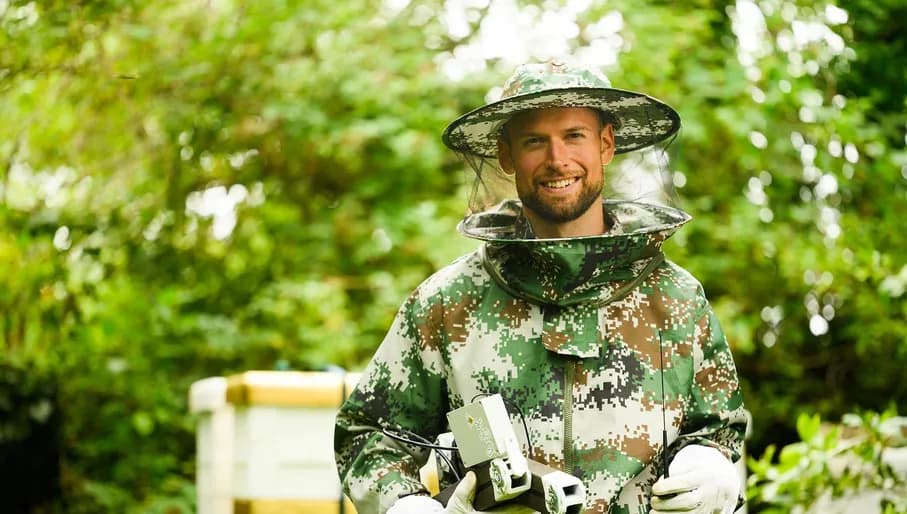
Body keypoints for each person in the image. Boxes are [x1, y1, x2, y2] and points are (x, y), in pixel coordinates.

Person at [334, 61, 748, 514]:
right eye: (535, 141)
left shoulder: (676, 300)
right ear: (507, 155)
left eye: (574, 135)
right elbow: (367, 432)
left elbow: (716, 426)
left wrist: (711, 464)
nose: (557, 159)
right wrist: (405, 505)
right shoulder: (448, 302)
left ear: (605, 144)